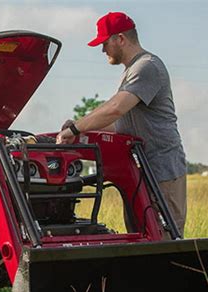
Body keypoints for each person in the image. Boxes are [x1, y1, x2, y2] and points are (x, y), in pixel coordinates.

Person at [56, 12, 187, 238]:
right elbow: (119, 123)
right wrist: (81, 128)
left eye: (105, 43)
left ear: (120, 39)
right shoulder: (131, 71)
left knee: (163, 241)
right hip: (142, 173)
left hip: (162, 172)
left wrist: (76, 128)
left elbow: (115, 108)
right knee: (140, 239)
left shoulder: (147, 67)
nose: (103, 49)